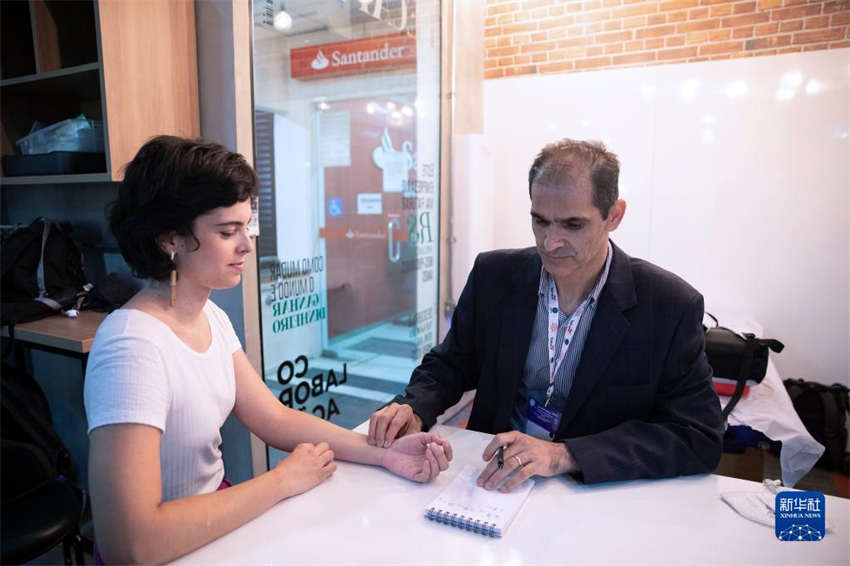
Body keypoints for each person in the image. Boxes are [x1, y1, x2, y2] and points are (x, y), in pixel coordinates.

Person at [84, 136, 452, 565]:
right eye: (227, 231)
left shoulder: (211, 319)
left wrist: (383, 454)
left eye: (246, 226)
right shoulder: (133, 347)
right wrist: (281, 481)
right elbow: (131, 544)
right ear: (171, 239)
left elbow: (273, 418)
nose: (246, 244)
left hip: (210, 533)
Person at [368, 138, 722, 490]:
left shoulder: (668, 305)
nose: (550, 243)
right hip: (490, 479)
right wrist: (413, 408)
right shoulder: (495, 275)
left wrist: (565, 455)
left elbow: (697, 436)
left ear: (613, 215)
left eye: (572, 225)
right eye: (540, 221)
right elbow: (452, 363)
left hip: (589, 494)